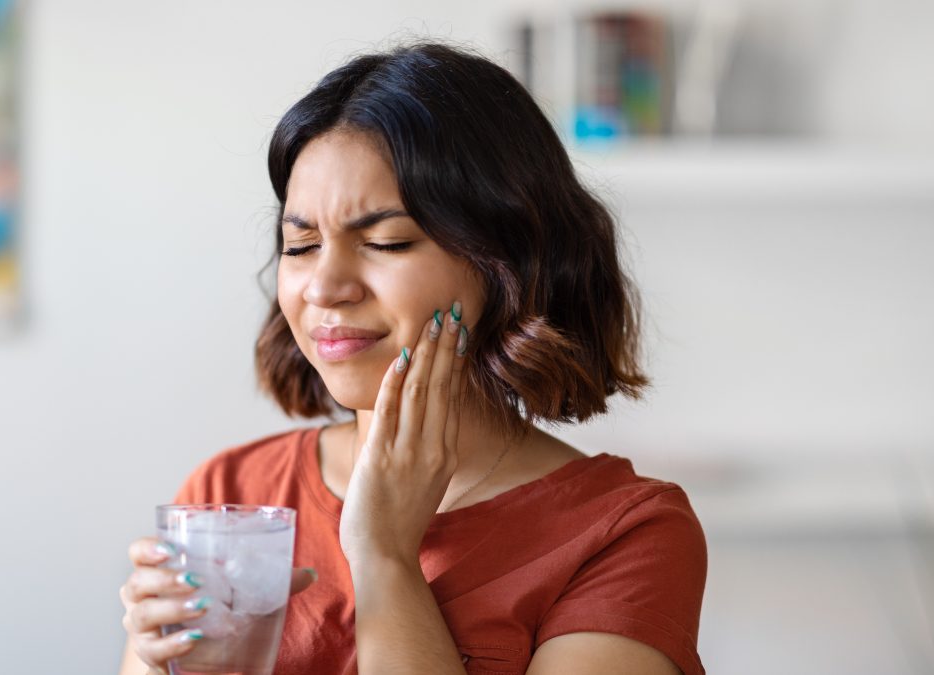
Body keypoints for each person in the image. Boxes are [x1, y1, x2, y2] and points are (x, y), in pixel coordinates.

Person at [119, 42, 707, 675]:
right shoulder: (228, 497)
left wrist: (383, 557)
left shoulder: (627, 533)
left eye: (386, 242)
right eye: (301, 245)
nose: (324, 287)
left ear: (507, 262)